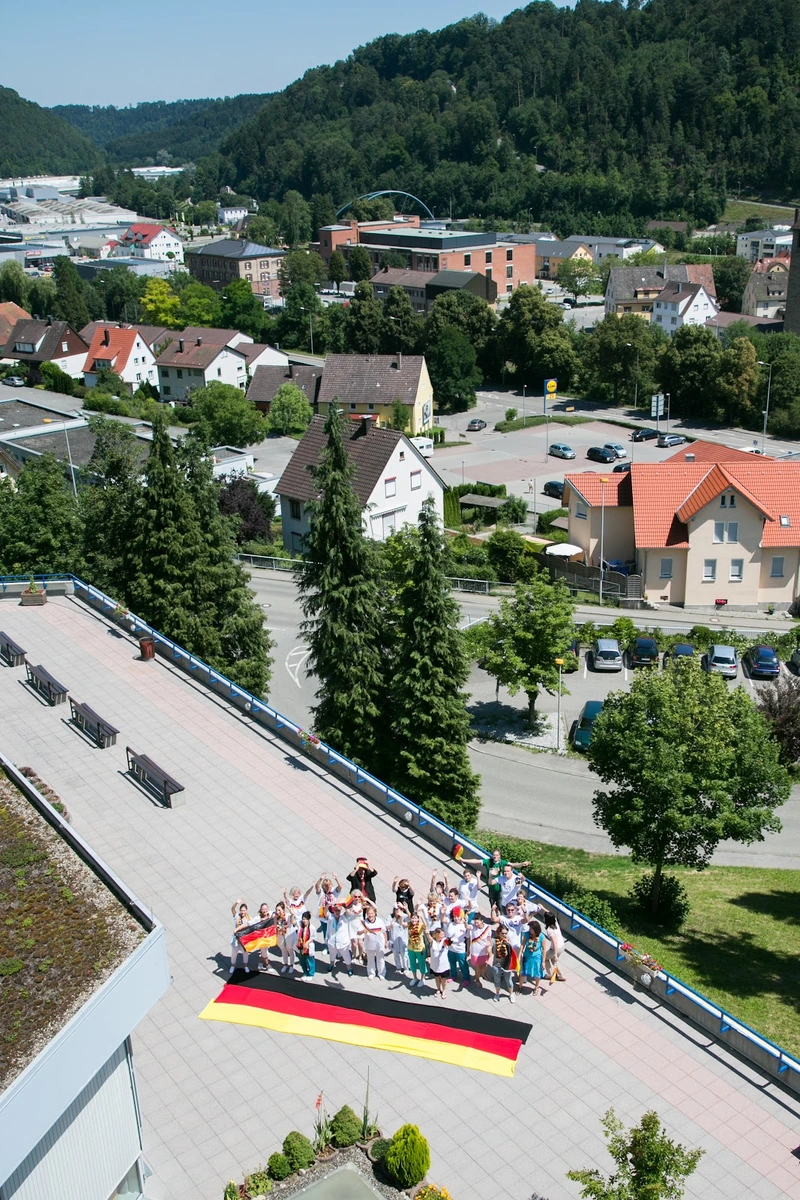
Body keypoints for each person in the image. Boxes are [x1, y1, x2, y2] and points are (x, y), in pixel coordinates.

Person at [458, 849, 530, 910]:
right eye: (494, 855)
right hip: (492, 887)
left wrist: (522, 864)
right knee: (492, 904)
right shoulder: (489, 862)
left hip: (500, 889)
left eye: (497, 855)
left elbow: (513, 865)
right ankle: (495, 915)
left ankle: (500, 915)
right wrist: (464, 860)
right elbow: (477, 861)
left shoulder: (503, 863)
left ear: (499, 856)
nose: (495, 856)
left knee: (500, 905)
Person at [491, 925, 518, 1004]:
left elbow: (511, 954)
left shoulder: (508, 941)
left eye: (506, 933)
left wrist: (509, 945)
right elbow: (490, 949)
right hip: (496, 964)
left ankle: (511, 994)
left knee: (508, 980)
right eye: (503, 933)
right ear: (499, 933)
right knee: (497, 980)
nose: (504, 935)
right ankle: (497, 993)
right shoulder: (494, 941)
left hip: (506, 965)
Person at [327, 904, 354, 977]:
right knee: (332, 954)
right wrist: (327, 904)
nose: (337, 912)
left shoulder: (344, 918)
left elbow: (348, 912)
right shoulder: (331, 917)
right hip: (332, 942)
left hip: (343, 943)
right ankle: (331, 964)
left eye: (338, 910)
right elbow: (324, 912)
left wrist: (344, 904)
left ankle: (349, 968)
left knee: (346, 956)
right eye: (335, 910)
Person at [521, 919, 547, 995]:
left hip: (537, 958)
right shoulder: (527, 934)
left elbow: (544, 949)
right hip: (527, 956)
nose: (529, 930)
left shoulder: (541, 936)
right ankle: (520, 986)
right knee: (523, 972)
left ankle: (536, 987)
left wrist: (543, 961)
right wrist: (520, 954)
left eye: (531, 929)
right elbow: (523, 944)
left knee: (537, 973)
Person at [445, 907, 470, 985]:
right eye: (454, 916)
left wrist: (468, 949)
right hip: (451, 948)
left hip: (460, 949)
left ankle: (466, 978)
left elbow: (468, 938)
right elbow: (448, 934)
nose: (456, 918)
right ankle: (453, 975)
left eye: (458, 916)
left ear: (461, 916)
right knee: (452, 963)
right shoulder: (451, 924)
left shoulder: (464, 926)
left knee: (463, 964)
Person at [362, 904, 388, 980]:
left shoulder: (380, 921)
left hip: (379, 944)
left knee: (380, 959)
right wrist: (362, 931)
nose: (370, 915)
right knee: (370, 959)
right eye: (369, 913)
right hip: (369, 944)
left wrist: (386, 942)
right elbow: (359, 932)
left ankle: (381, 973)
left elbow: (384, 932)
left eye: (372, 913)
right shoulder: (365, 922)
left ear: (375, 913)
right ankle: (371, 973)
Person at [467, 912, 492, 987]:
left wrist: (489, 947)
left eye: (477, 922)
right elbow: (467, 927)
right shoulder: (473, 927)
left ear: (482, 921)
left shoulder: (487, 928)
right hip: (475, 951)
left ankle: (484, 974)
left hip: (484, 950)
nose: (476, 924)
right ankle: (477, 979)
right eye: (475, 922)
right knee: (478, 967)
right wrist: (465, 921)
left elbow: (489, 939)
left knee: (484, 964)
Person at [315, 874, 342, 942]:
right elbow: (317, 887)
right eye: (325, 885)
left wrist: (336, 879)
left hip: (333, 915)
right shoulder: (321, 892)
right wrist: (320, 879)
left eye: (329, 885)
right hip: (323, 915)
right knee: (325, 931)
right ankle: (326, 946)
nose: (327, 886)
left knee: (334, 930)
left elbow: (340, 887)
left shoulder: (334, 891)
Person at [428, 927, 451, 1001]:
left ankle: (444, 991)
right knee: (437, 978)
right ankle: (438, 989)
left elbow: (448, 943)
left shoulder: (444, 940)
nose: (443, 936)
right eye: (441, 934)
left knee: (443, 979)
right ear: (437, 935)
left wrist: (449, 941)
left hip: (444, 965)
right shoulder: (433, 942)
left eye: (443, 934)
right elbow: (428, 936)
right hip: (435, 965)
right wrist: (427, 932)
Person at [230, 898, 251, 976]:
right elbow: (232, 909)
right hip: (236, 939)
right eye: (241, 910)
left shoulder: (249, 919)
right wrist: (236, 903)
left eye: (244, 910)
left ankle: (245, 966)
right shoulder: (236, 916)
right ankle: (232, 965)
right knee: (234, 953)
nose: (243, 912)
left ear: (246, 911)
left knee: (245, 953)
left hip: (244, 939)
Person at [275, 901, 297, 974]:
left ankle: (291, 965)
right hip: (280, 937)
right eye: (276, 910)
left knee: (290, 951)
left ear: (283, 910)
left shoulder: (288, 916)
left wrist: (292, 913)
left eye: (279, 910)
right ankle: (285, 964)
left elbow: (292, 921)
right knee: (283, 951)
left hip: (289, 937)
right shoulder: (276, 918)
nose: (277, 912)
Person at [407, 911, 428, 988]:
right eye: (412, 918)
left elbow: (425, 925)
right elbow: (402, 923)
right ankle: (415, 977)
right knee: (412, 964)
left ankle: (422, 978)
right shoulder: (409, 925)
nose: (414, 920)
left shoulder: (420, 925)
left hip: (420, 949)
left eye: (415, 918)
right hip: (411, 948)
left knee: (421, 964)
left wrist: (422, 916)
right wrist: (402, 914)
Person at [544, 911, 566, 982]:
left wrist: (555, 954)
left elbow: (554, 943)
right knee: (554, 961)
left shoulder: (549, 930)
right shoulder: (555, 922)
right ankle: (560, 975)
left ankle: (550, 974)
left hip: (555, 949)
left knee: (545, 958)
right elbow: (550, 913)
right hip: (562, 946)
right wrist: (543, 908)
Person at [388, 906, 409, 974]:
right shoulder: (390, 917)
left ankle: (406, 968)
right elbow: (386, 927)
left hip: (403, 939)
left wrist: (405, 910)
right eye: (396, 909)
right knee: (395, 953)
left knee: (404, 954)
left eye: (399, 909)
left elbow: (409, 922)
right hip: (394, 939)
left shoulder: (405, 916)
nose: (398, 910)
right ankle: (398, 967)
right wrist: (391, 924)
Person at [296, 911, 316, 979]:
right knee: (302, 961)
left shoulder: (312, 927)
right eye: (303, 919)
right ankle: (305, 972)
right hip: (301, 946)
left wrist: (307, 942)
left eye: (306, 919)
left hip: (308, 947)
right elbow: (293, 921)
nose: (304, 921)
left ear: (309, 919)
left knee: (310, 961)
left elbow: (313, 937)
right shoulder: (300, 925)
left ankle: (311, 974)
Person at [256, 901, 273, 973]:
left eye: (266, 909)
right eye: (263, 909)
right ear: (260, 910)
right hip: (262, 938)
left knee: (264, 952)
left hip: (269, 937)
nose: (265, 910)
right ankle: (267, 965)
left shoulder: (270, 914)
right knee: (265, 952)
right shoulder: (258, 918)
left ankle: (260, 964)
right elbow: (251, 924)